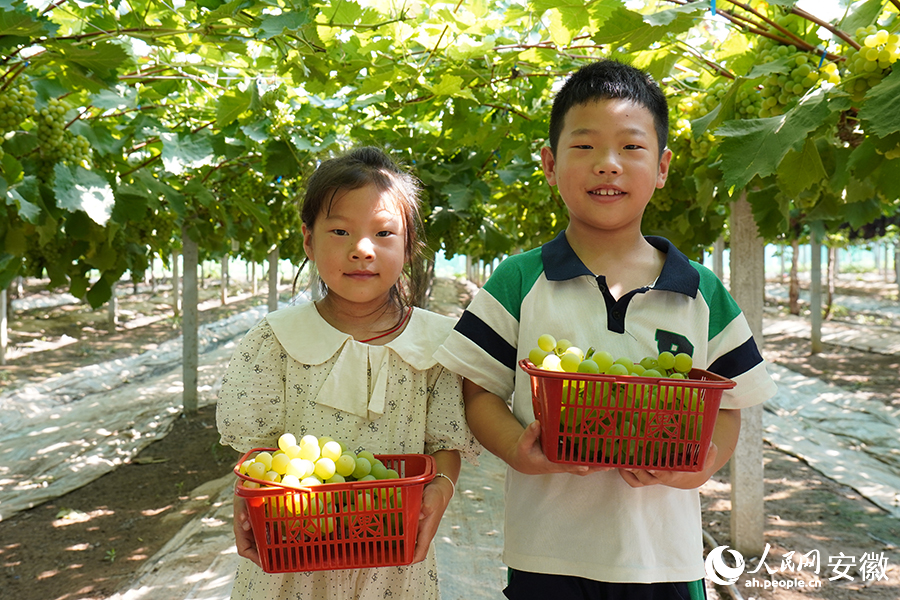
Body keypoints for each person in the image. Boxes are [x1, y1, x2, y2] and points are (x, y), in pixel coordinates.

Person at [434, 60, 778, 599]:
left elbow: (729, 405)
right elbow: (479, 391)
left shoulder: (702, 292)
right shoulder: (518, 280)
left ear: (662, 167)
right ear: (549, 164)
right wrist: (517, 450)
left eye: (632, 148)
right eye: (585, 147)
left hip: (664, 559)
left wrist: (698, 467)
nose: (608, 165)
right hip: (545, 554)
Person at [217, 146, 481, 600]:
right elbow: (261, 454)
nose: (362, 250)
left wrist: (442, 485)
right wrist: (247, 498)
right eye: (339, 231)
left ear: (409, 244)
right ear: (307, 239)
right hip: (293, 556)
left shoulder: (439, 345)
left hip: (392, 564)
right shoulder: (275, 340)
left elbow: (445, 444)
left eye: (383, 233)